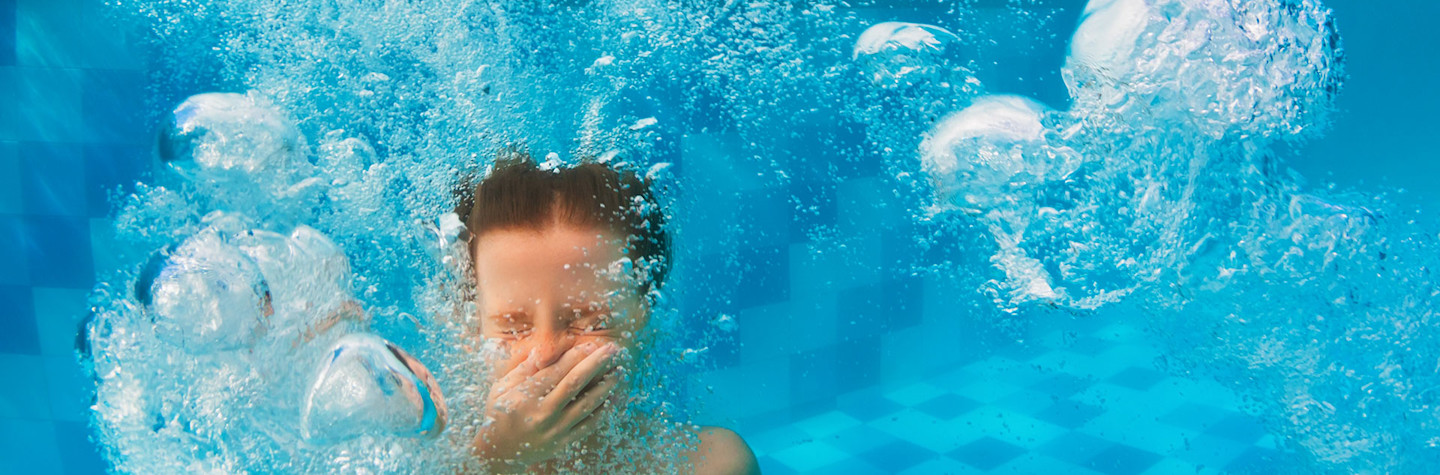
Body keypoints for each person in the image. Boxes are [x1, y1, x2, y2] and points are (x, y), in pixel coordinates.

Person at [457, 150, 759, 474]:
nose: (544, 353)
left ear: (647, 323)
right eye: (513, 327)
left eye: (593, 322)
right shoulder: (435, 456)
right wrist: (495, 459)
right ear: (472, 333)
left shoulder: (709, 464)